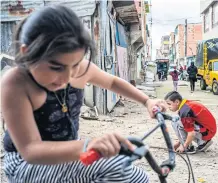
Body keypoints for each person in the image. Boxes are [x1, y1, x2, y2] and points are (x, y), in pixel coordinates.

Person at [1, 5, 166, 183]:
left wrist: (147, 101)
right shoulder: (16, 83)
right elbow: (31, 150)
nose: (67, 77)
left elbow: (112, 82)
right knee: (122, 169)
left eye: (75, 65)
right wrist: (86, 145)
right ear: (27, 53)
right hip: (26, 164)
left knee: (128, 170)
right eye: (56, 67)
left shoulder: (79, 69)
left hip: (69, 151)